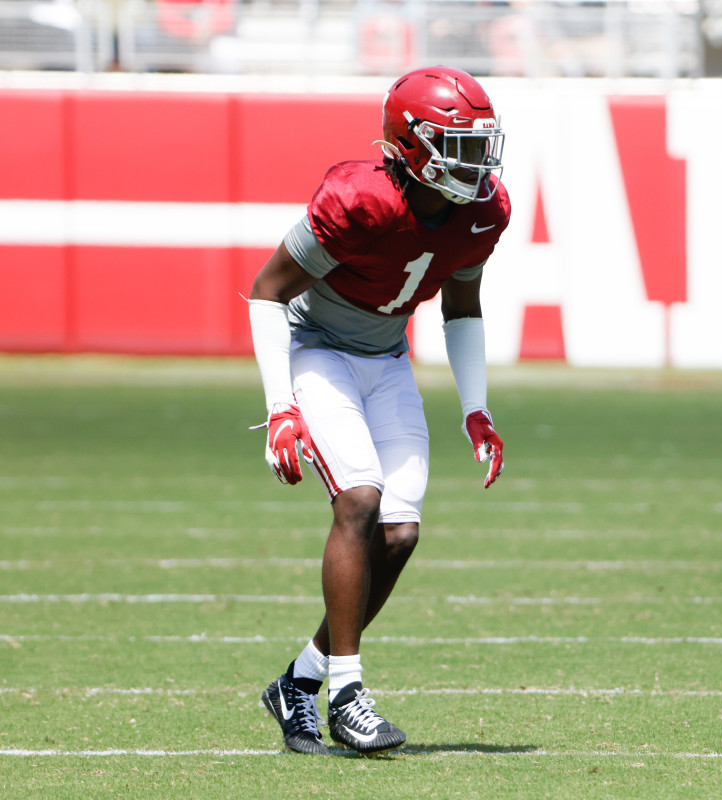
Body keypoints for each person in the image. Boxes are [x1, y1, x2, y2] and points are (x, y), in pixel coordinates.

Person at [249, 65, 509, 756]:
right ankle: (347, 693)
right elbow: (267, 291)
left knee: (399, 535)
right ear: (411, 146)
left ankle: (299, 683)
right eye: (459, 146)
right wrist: (280, 407)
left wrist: (476, 407)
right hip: (320, 350)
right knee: (359, 498)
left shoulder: (484, 212)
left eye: (480, 145)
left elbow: (462, 305)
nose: (476, 163)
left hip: (387, 360)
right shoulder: (356, 198)